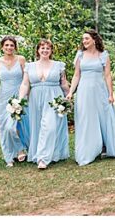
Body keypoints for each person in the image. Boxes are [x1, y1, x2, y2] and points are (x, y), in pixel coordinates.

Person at [67, 30, 115, 166]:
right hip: (84, 91)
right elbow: (76, 75)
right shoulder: (80, 55)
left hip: (100, 91)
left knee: (103, 118)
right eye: (83, 39)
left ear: (94, 39)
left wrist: (111, 94)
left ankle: (105, 146)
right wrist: (71, 92)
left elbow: (107, 76)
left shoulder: (103, 55)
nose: (84, 41)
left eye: (87, 38)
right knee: (86, 118)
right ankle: (90, 149)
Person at [17, 39, 70, 169]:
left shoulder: (59, 65)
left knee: (50, 126)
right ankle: (43, 153)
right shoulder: (30, 66)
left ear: (51, 51)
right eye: (42, 48)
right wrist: (19, 100)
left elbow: (63, 82)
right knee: (38, 127)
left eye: (48, 48)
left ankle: (43, 158)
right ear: (38, 50)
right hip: (35, 99)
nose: (45, 50)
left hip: (54, 98)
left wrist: (68, 96)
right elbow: (25, 84)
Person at [0, 36, 29, 167]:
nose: (9, 47)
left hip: (19, 96)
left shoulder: (21, 59)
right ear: (2, 47)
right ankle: (9, 156)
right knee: (5, 127)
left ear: (15, 47)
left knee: (16, 126)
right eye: (7, 45)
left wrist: (28, 96)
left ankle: (21, 149)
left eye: (11, 45)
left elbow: (26, 79)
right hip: (4, 98)